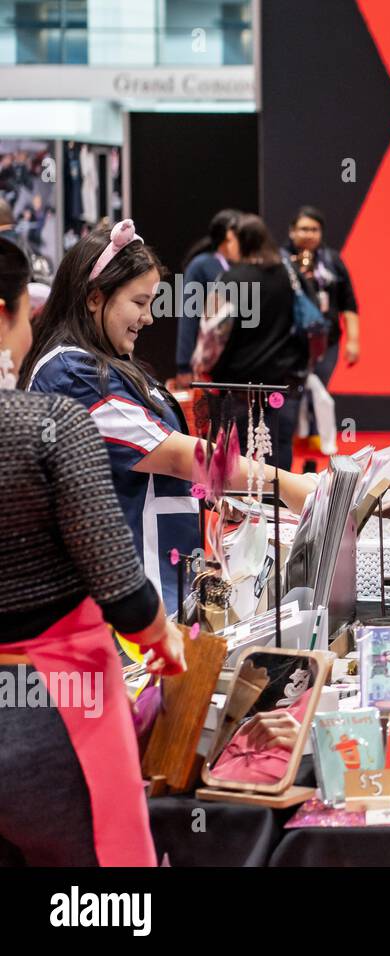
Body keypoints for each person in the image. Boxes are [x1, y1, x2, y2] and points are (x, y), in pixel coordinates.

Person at [0, 234, 185, 866]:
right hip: (56, 700)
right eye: (26, 314)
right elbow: (118, 582)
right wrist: (161, 636)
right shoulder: (50, 420)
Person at [21, 220, 315, 614]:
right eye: (139, 302)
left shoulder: (100, 364)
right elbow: (176, 455)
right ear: (94, 298)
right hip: (119, 602)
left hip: (150, 587)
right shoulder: (73, 375)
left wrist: (212, 493)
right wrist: (288, 485)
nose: (148, 317)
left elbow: (144, 467)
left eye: (152, 303)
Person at [208, 213, 311, 470]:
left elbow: (213, 334)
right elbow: (313, 319)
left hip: (236, 385)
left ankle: (239, 498)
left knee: (236, 455)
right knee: (278, 452)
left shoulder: (231, 278)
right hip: (281, 382)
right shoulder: (289, 275)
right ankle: (280, 496)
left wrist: (201, 368)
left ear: (241, 241)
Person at [285, 205, 361, 380]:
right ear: (292, 231)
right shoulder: (281, 260)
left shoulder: (331, 260)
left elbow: (348, 302)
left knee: (319, 389)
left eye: (315, 230)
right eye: (304, 229)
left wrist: (353, 340)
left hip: (327, 341)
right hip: (290, 342)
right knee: (290, 391)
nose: (310, 234)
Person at [173, 208, 241, 390]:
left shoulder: (245, 266)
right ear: (225, 237)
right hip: (208, 362)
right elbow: (188, 314)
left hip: (237, 360)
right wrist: (183, 365)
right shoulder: (201, 265)